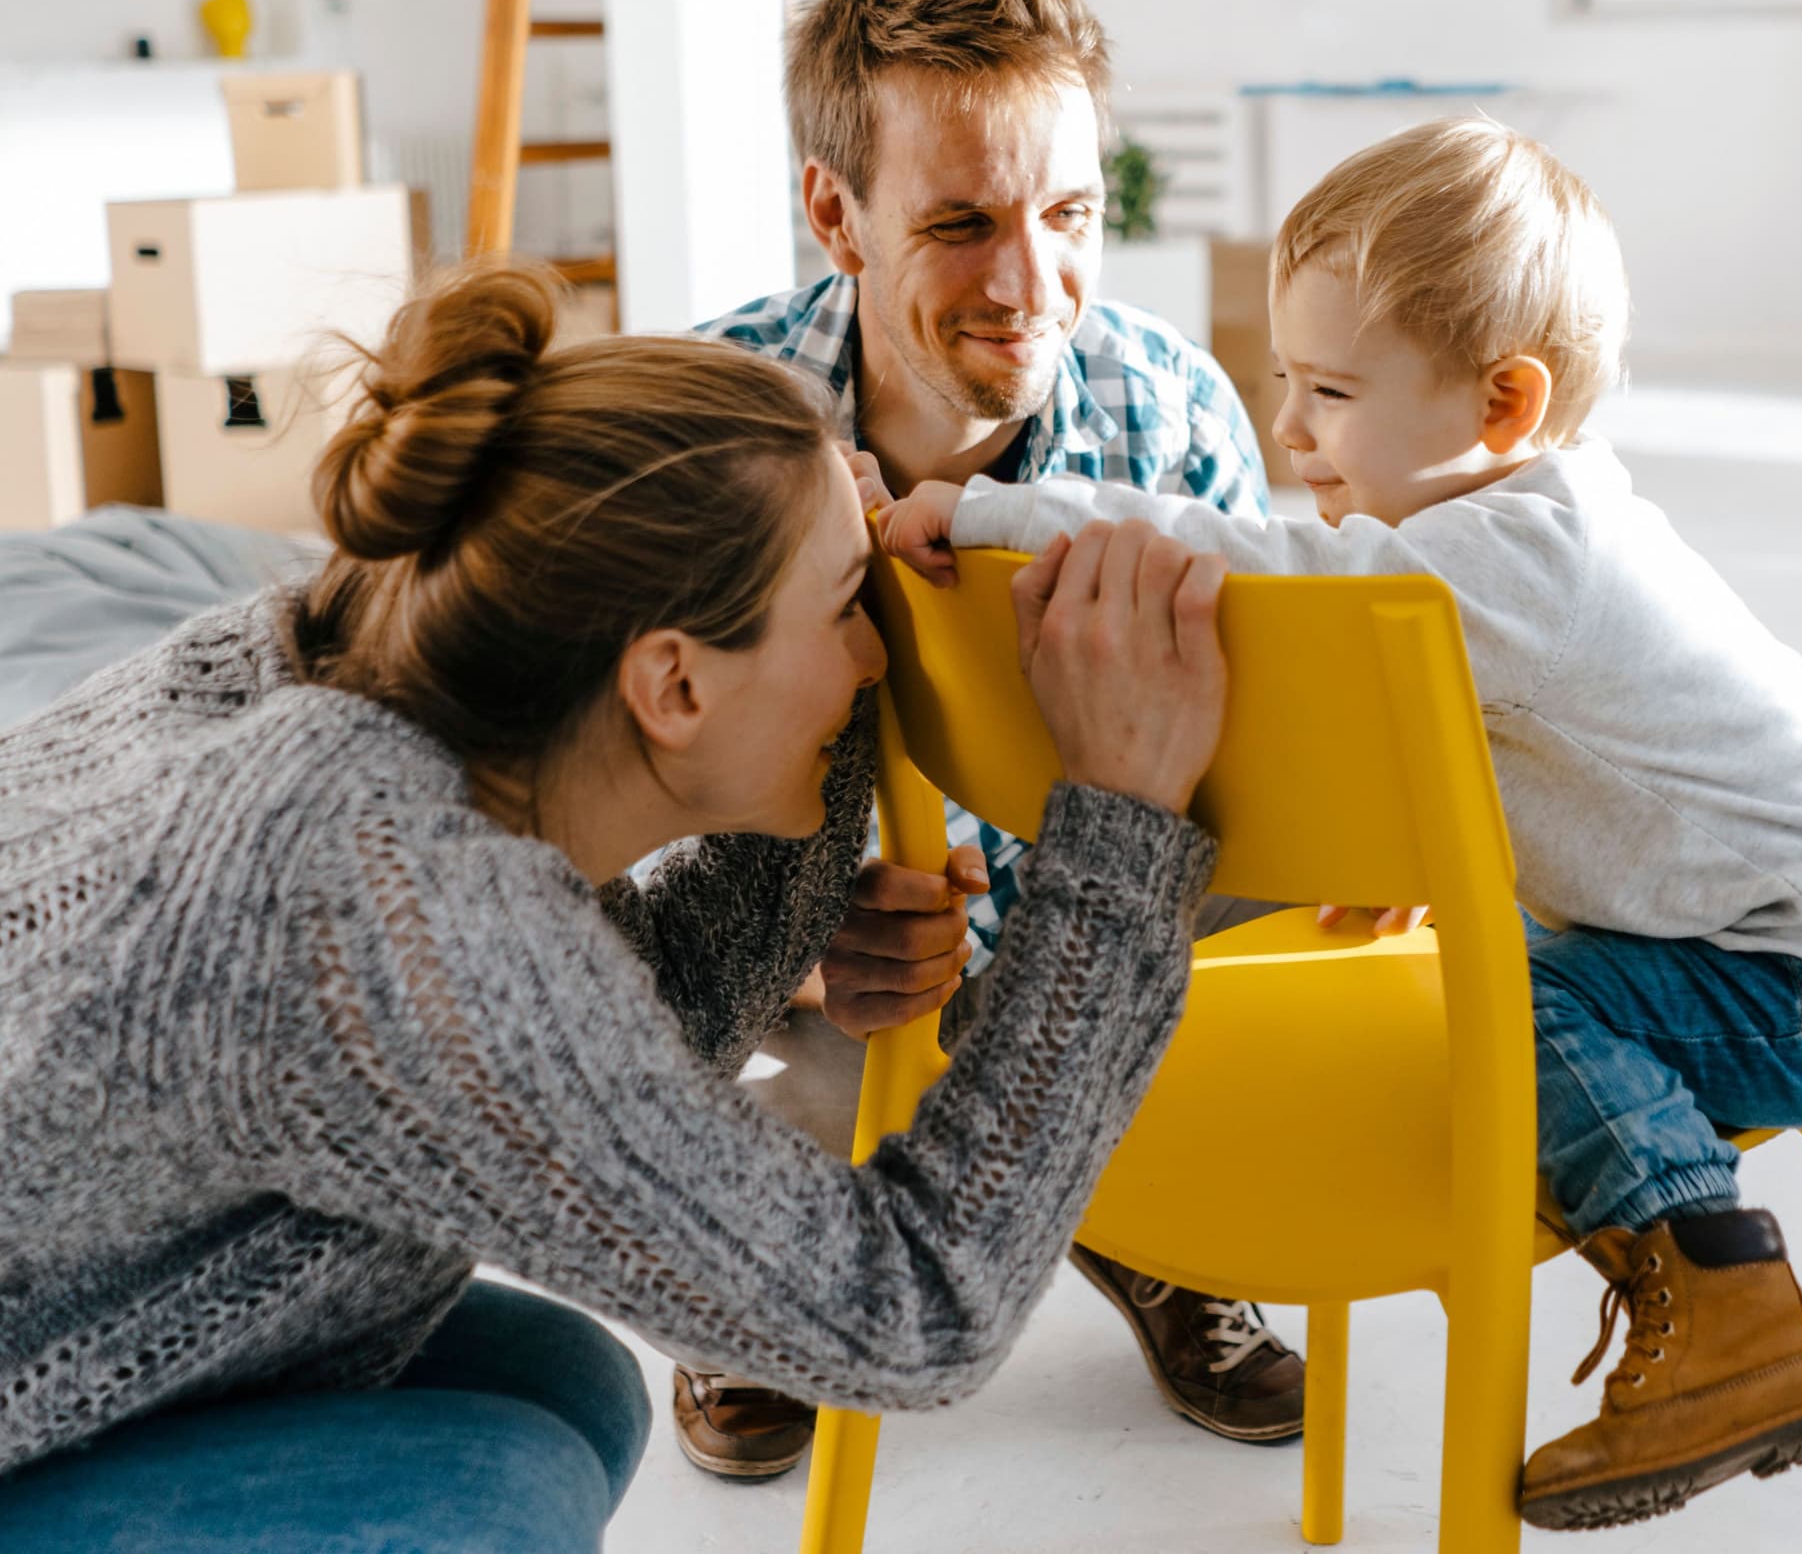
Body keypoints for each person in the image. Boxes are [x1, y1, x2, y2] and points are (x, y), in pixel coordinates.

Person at [0, 262, 1235, 1549]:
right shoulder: (379, 907)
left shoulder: (356, 663)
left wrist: (832, 604)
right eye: (844, 610)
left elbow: (656, 1018)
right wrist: (1123, 824)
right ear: (674, 688)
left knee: (553, 1380)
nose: (873, 650)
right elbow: (913, 1309)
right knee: (491, 1492)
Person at [878, 116, 1802, 1532]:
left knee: (1540, 1005)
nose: (1291, 432)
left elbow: (1272, 569)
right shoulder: (1488, 551)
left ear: (1500, 408)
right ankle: (1719, 1290)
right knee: (1519, 965)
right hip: (1790, 931)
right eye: (1283, 386)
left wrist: (1005, 515)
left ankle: (1727, 1302)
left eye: (1329, 391)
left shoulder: (1520, 555)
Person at [681, 0, 1302, 1475]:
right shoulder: (703, 430)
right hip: (850, 981)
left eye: (1072, 211)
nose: (1033, 284)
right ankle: (739, 1298)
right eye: (961, 222)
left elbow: (1263, 764)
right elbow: (588, 792)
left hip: (1119, 935)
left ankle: (1156, 1226)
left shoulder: (1173, 411)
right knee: (674, 1004)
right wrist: (792, 930)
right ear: (836, 210)